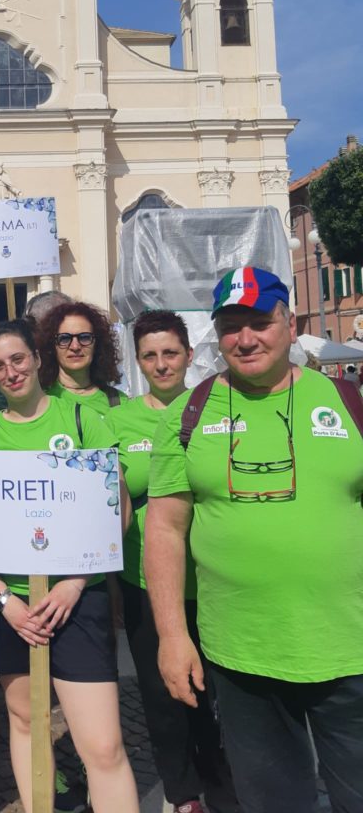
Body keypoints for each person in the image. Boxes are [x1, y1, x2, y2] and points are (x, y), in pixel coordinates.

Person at [146, 267, 363, 813]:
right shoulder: (187, 415)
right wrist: (172, 636)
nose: (245, 339)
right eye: (231, 326)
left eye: (260, 322)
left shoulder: (347, 401)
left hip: (351, 649)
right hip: (242, 656)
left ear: (291, 323)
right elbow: (165, 529)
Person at [0, 319, 139, 813]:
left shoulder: (81, 420)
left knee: (103, 746)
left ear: (36, 359)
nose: (10, 372)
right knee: (26, 723)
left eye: (17, 359)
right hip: (11, 607)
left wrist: (75, 583)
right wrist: (5, 601)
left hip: (76, 602)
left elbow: (117, 510)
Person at [107, 311, 237, 813]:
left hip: (211, 582)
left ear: (188, 354)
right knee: (162, 699)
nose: (161, 365)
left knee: (217, 697)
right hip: (144, 582)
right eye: (150, 356)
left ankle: (225, 791)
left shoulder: (215, 408)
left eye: (170, 353)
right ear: (138, 362)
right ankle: (182, 794)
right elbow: (108, 508)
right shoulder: (117, 422)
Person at [37, 300, 126, 415]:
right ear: (51, 346)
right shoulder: (39, 401)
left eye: (84, 337)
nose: (75, 347)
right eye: (64, 339)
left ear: (97, 344)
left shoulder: (119, 402)